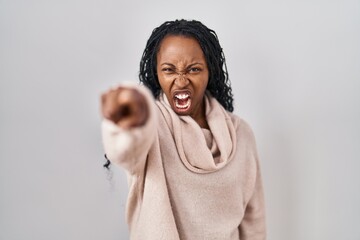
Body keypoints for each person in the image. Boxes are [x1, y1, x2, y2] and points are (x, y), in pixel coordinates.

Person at [100, 19, 266, 240]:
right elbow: (125, 150)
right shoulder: (150, 128)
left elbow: (253, 221)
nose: (181, 81)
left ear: (210, 72)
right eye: (169, 70)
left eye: (193, 69)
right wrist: (126, 116)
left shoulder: (241, 133)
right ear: (156, 73)